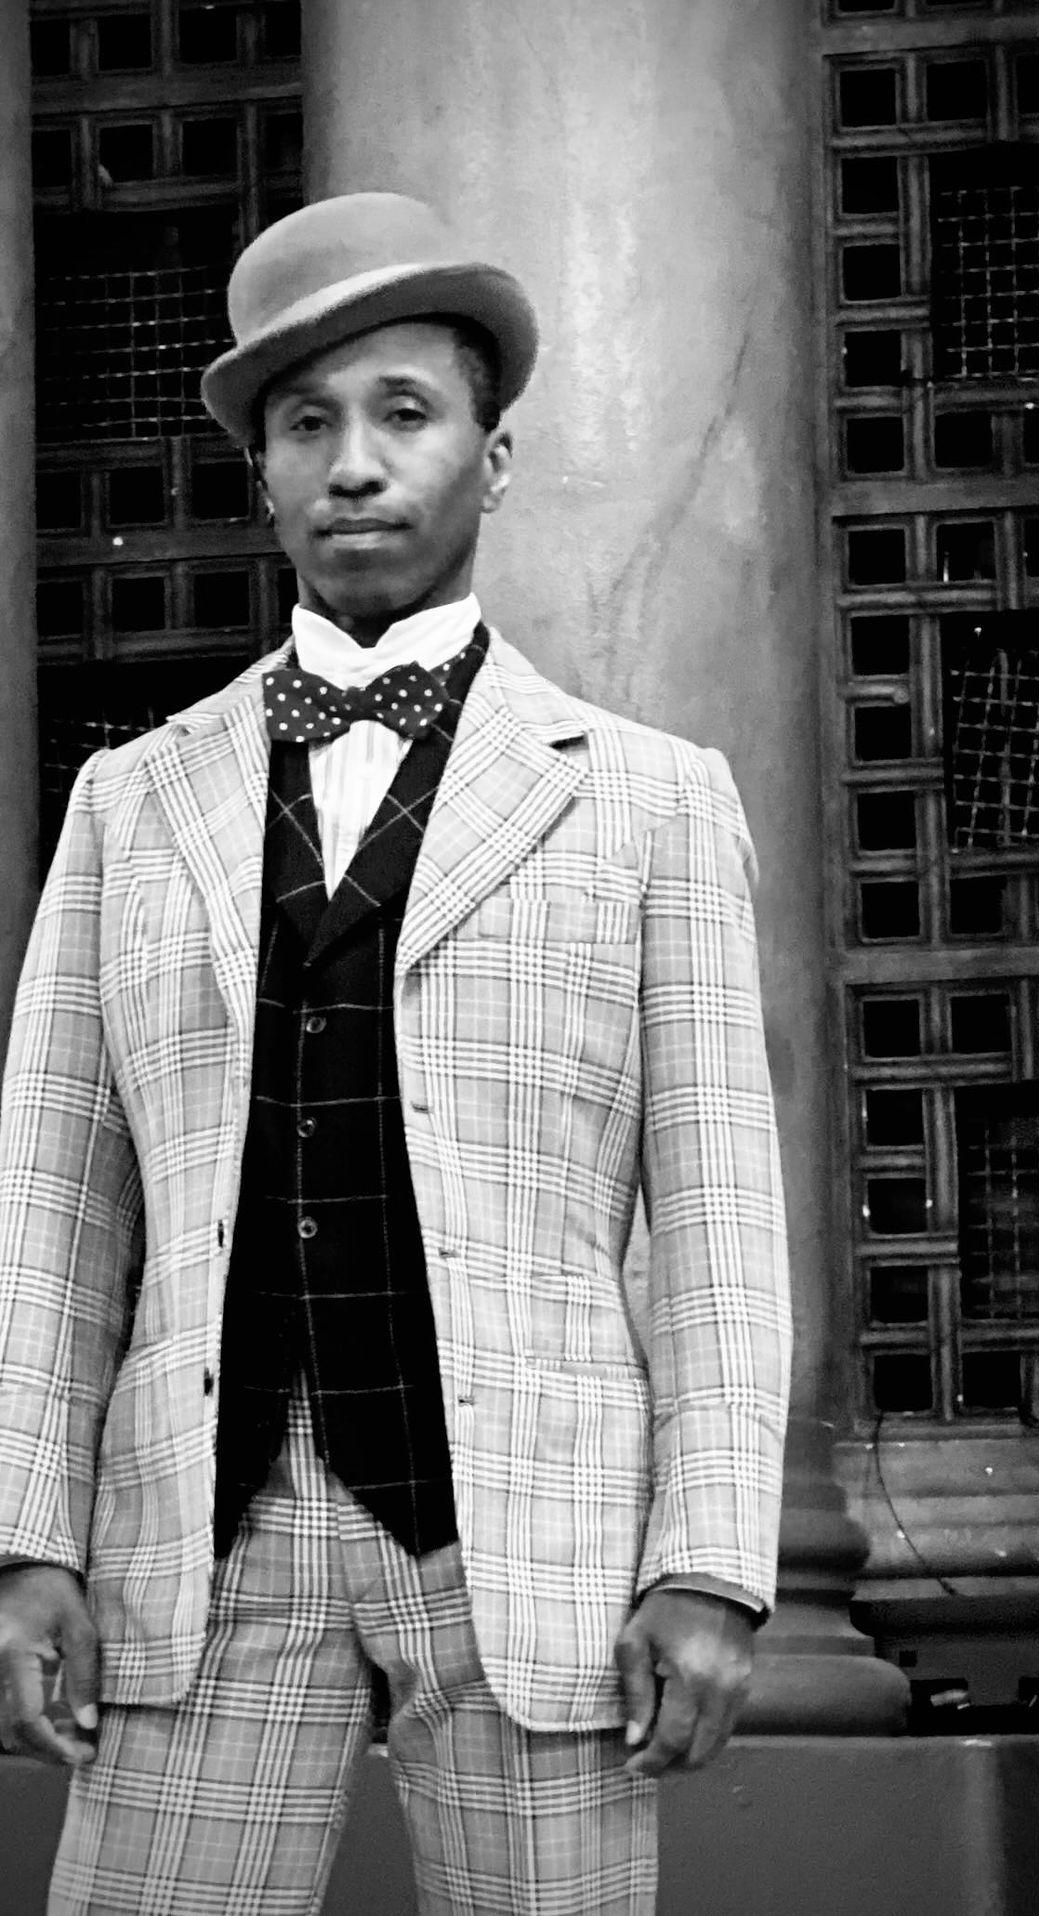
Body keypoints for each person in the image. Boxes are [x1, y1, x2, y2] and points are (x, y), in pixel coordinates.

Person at [0, 192, 791, 1915]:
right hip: (199, 1542)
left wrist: (713, 1561)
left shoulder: (650, 802)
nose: (354, 464)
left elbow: (722, 1220)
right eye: (308, 424)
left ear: (492, 460)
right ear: (263, 473)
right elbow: (53, 1207)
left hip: (538, 1546)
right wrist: (25, 1533)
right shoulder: (130, 803)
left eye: (404, 414)